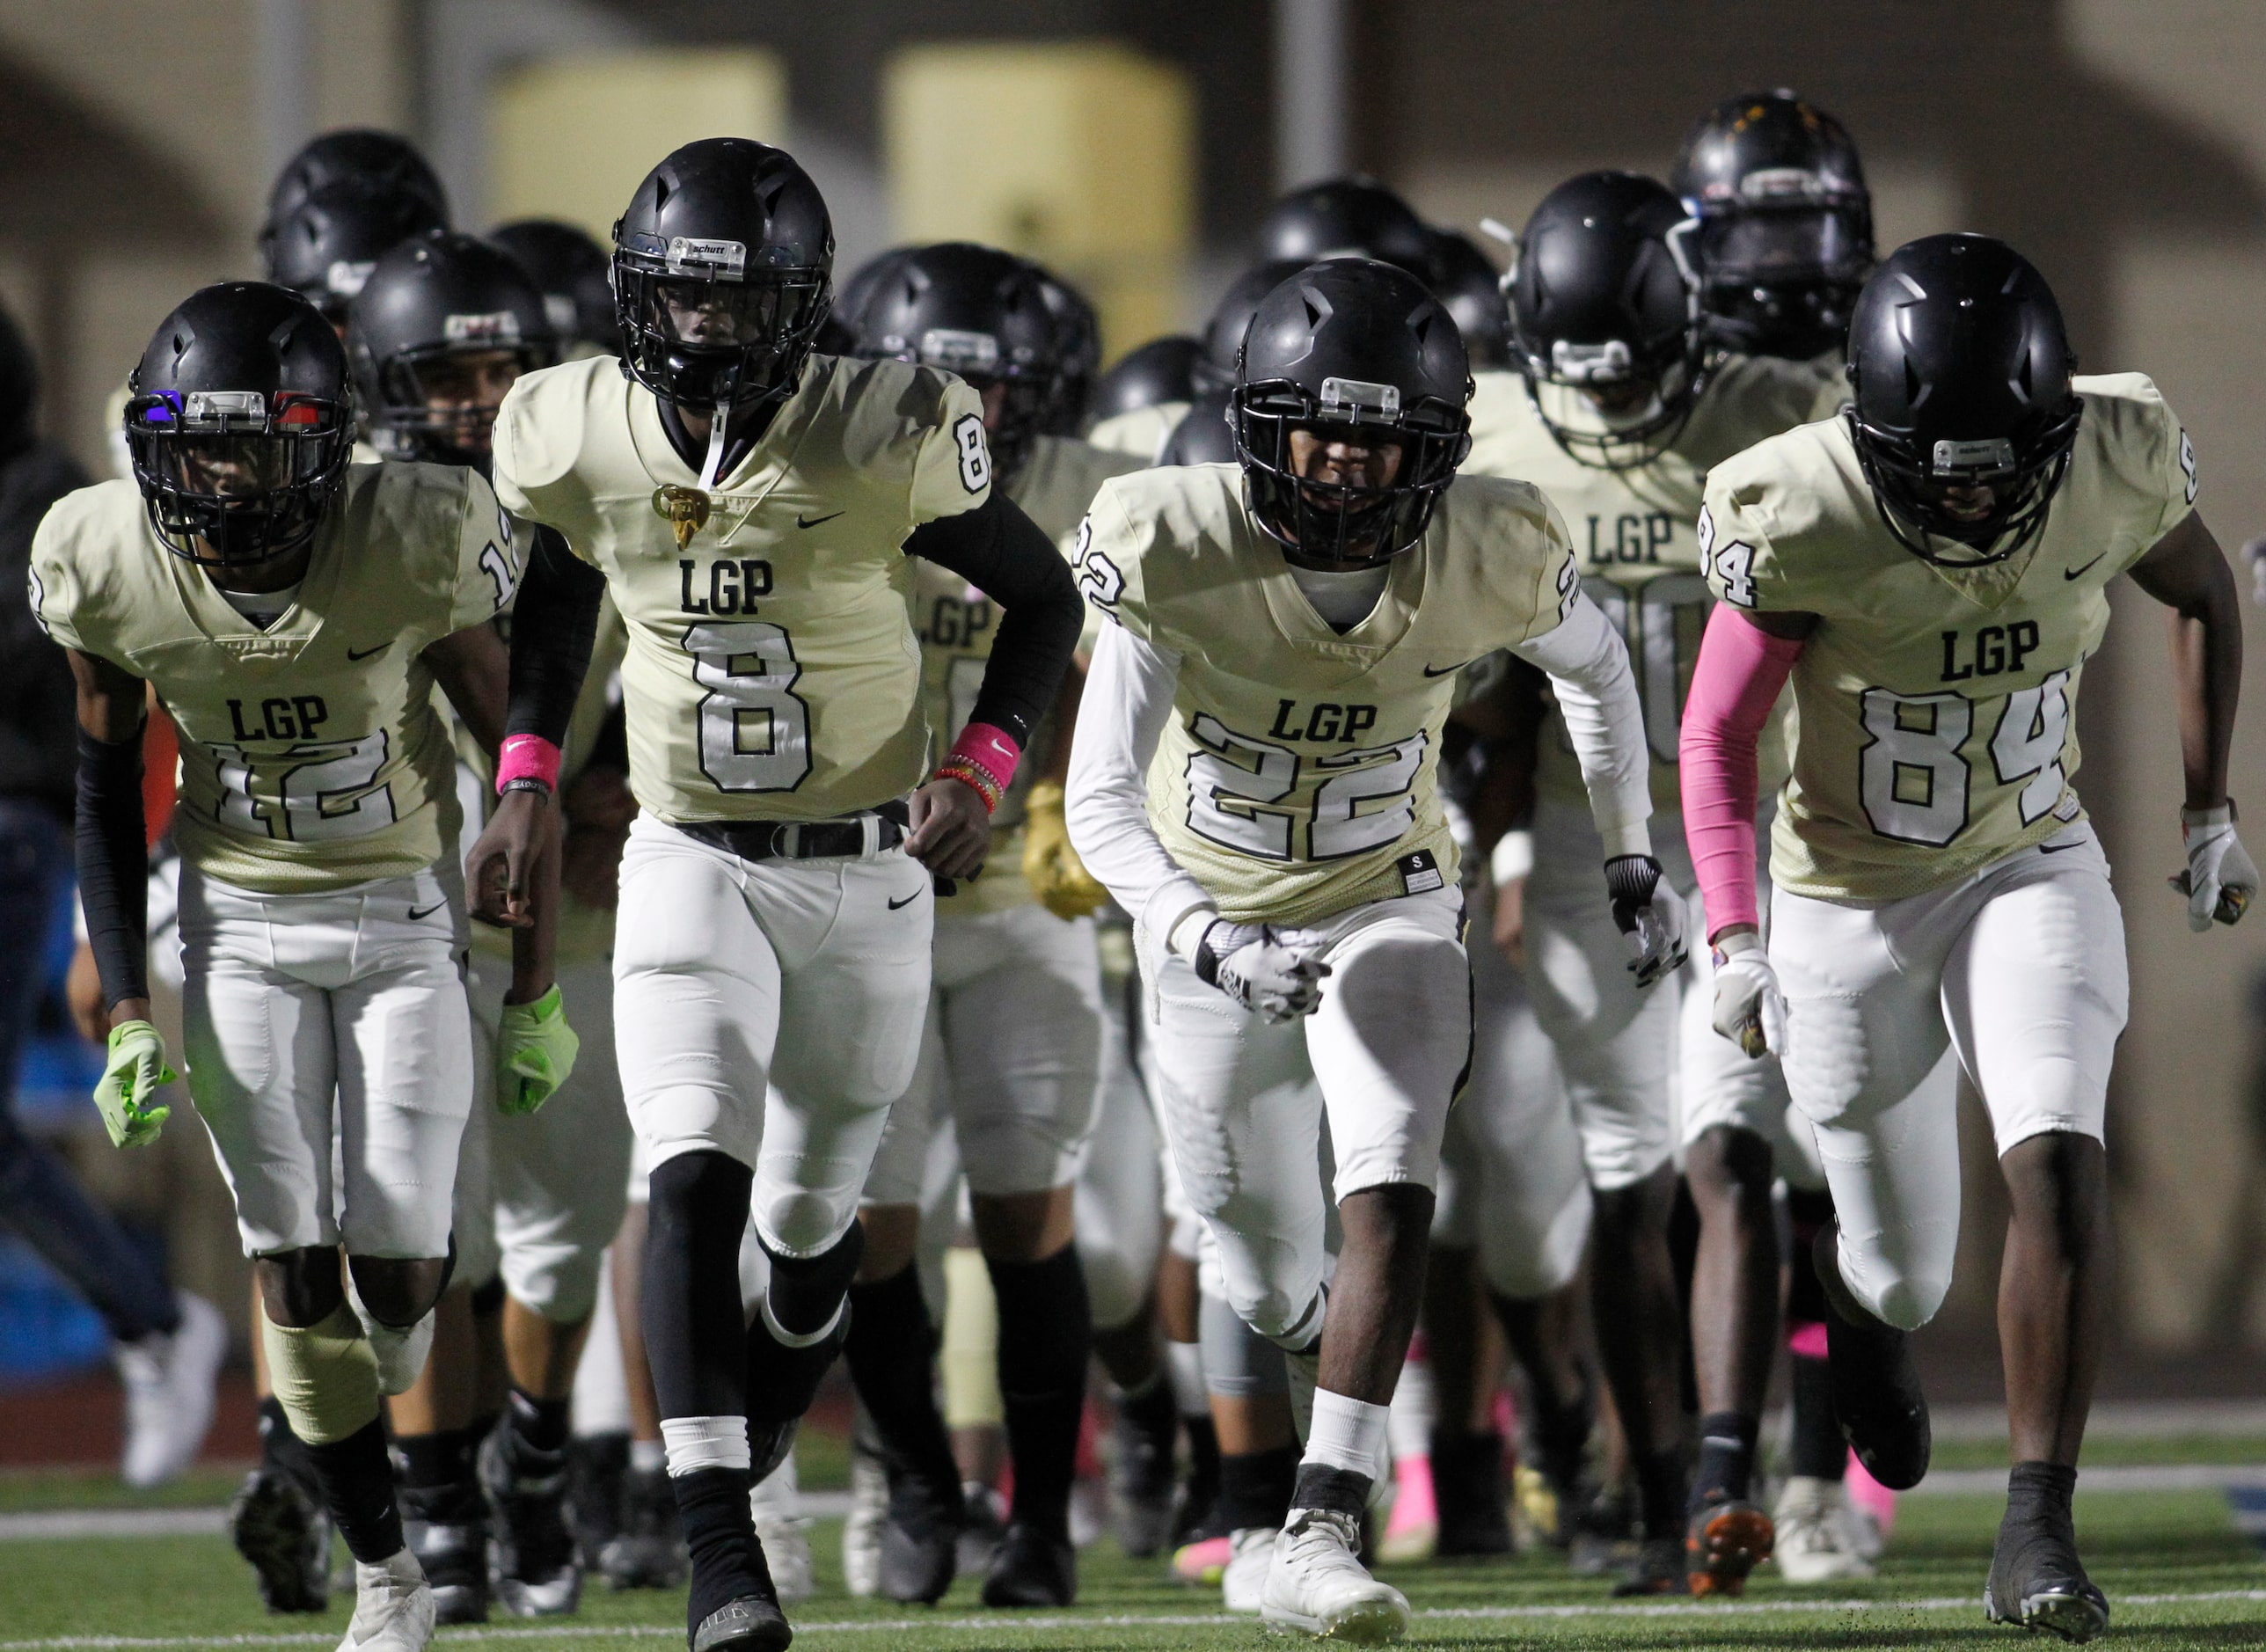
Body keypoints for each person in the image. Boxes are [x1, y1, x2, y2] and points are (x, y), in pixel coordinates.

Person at [468, 137, 1083, 1652]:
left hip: (868, 869)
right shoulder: (575, 423)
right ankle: (717, 1552)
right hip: (691, 857)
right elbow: (555, 591)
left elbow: (1043, 598)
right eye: (678, 300)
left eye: (738, 306)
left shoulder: (886, 426)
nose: (702, 334)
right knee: (689, 1174)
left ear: (801, 310)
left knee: (815, 1254)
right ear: (633, 291)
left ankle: (736, 1467)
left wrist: (987, 766)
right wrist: (531, 771)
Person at [1065, 256, 1673, 1641]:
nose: (1341, 468)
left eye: (1377, 439)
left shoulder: (1487, 543)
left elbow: (1599, 667)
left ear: (1434, 451)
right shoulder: (1172, 536)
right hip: (1207, 915)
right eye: (1316, 433)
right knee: (1261, 1260)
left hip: (1389, 888)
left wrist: (1627, 840)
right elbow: (1098, 800)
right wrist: (1210, 939)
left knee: (1394, 1165)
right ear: (1257, 428)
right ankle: (1321, 1379)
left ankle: (1326, 1517)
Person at [1681, 231, 2248, 1643]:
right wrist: (1736, 929)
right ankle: (1862, 1315)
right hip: (1844, 902)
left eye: (2006, 454)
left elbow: (2202, 591)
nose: (1981, 485)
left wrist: (2207, 811)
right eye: (1944, 460)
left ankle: (2038, 1525)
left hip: (2028, 857)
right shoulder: (1797, 506)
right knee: (1899, 1269)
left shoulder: (2117, 451)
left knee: (2057, 1150)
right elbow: (1718, 729)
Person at [37, 279, 538, 1652]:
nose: (221, 473)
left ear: (322, 444)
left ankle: (358, 1420)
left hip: (398, 915)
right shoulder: (104, 552)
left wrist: (536, 963)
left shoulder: (412, 532)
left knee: (399, 1266)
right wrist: (130, 995)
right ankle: (388, 1574)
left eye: (254, 443)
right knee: (289, 1257)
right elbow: (98, 784)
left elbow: (519, 758)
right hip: (237, 925)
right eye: (195, 444)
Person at [1462, 169, 1839, 1595]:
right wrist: (1491, 833)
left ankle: (1812, 1420)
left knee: (1774, 1149)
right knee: (1633, 1178)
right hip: (1580, 840)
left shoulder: (1785, 405)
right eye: (1584, 386)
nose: (1611, 418)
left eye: (1638, 385)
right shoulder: (1490, 425)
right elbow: (1470, 673)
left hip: (1763, 826)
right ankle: (1663, 1483)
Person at [841, 241, 1144, 1607]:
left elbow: (1150, 665)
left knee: (1029, 1213)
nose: (966, 413)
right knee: (872, 1229)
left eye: (991, 388)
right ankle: (913, 1477)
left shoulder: (1092, 496)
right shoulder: (828, 477)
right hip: (857, 895)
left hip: (1021, 898)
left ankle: (1038, 1521)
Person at [348, 229, 619, 1621]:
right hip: (403, 917)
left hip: (572, 915)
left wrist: (622, 770)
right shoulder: (345, 513)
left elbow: (675, 659)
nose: (470, 397)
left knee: (562, 1238)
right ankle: (443, 1500)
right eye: (443, 371)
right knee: (419, 1229)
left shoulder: (591, 501)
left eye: (497, 367)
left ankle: (534, 1447)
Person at [1671, 89, 1887, 1582]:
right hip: (1691, 818)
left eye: (1799, 223)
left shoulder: (1893, 373)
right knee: (1712, 1159)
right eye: (1750, 226)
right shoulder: (1651, 394)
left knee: (1834, 1171)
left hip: (1852, 826)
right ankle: (1716, 1469)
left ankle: (1815, 1472)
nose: (1777, 260)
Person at [0, 296, 228, 1492]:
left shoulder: (52, 502)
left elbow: (105, 720)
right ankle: (153, 1317)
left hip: (29, 824)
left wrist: (113, 916)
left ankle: (155, 1317)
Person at [1671, 91, 1874, 366]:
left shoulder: (1875, 353)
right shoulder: (1673, 376)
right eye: (1757, 237)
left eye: (1805, 232)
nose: (1781, 258)